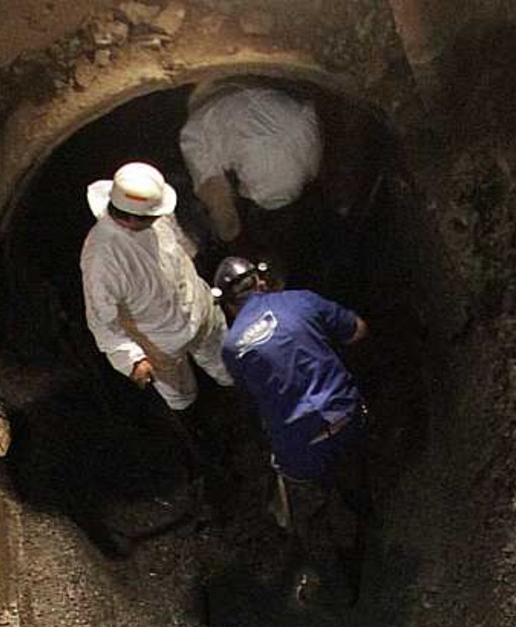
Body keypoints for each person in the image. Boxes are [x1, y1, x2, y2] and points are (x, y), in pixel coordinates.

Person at [214, 255, 369, 599]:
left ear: (227, 307)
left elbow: (253, 396)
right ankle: (363, 518)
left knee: (307, 515)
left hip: (301, 444)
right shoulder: (300, 300)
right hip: (346, 416)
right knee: (353, 470)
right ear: (262, 283)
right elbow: (358, 330)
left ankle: (339, 586)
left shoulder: (232, 347)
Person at [79, 162, 231, 412]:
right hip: (160, 341)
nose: (159, 217)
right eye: (152, 216)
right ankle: (199, 415)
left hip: (199, 307)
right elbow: (102, 320)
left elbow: (179, 244)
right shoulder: (102, 260)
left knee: (226, 363)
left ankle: (233, 388)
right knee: (181, 395)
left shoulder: (153, 216)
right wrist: (132, 359)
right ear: (129, 218)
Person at [178, 79, 323, 246]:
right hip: (222, 99)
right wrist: (221, 208)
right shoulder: (211, 132)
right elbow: (196, 145)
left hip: (268, 100)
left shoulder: (307, 159)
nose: (242, 191)